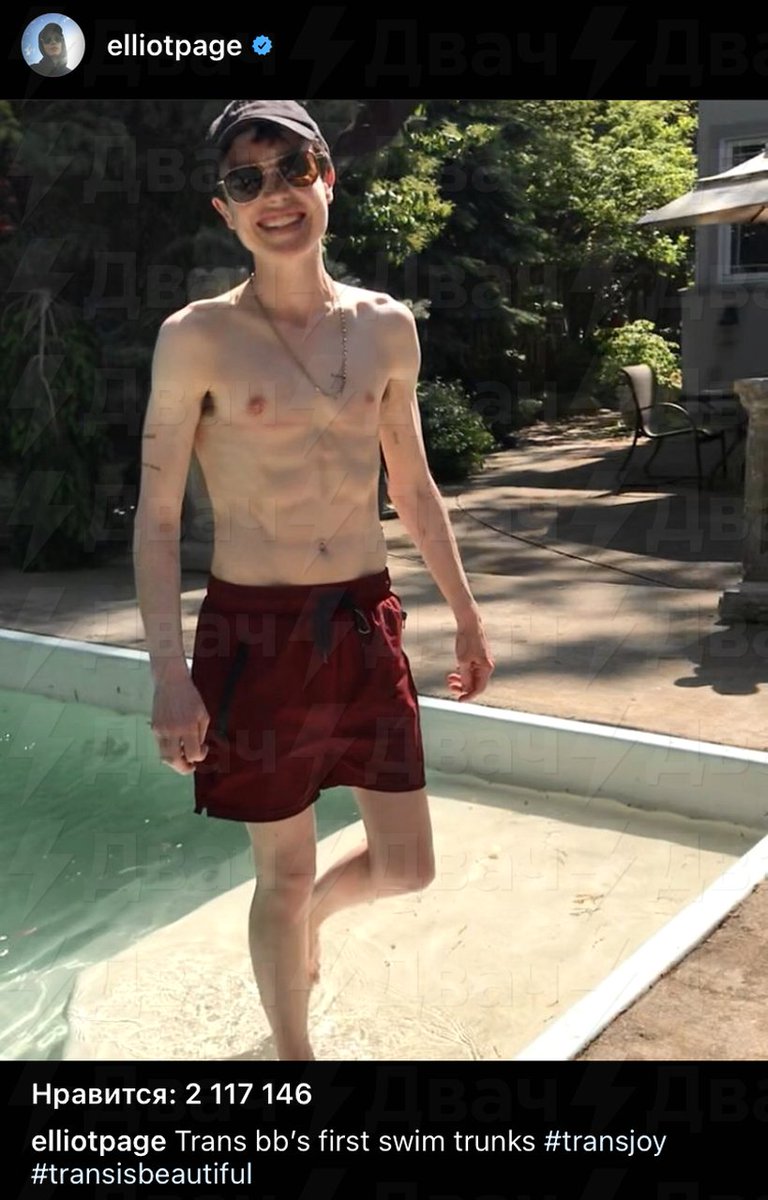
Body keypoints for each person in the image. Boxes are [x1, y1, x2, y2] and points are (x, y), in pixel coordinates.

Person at [133, 100, 494, 1061]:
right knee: (282, 875)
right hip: (254, 632)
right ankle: (295, 1062)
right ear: (226, 210)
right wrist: (168, 672)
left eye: (292, 169)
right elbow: (158, 516)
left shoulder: (386, 328)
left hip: (365, 619)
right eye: (247, 181)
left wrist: (465, 614)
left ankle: (314, 922)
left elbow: (411, 484)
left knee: (408, 866)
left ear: (327, 178)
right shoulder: (196, 337)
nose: (275, 195)